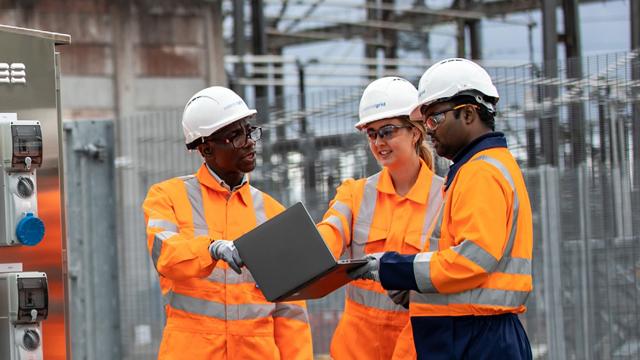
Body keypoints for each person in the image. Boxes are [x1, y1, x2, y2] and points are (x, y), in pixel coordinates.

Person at [352, 58, 534, 359]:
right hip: (475, 333)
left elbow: (472, 261)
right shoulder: (476, 169)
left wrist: (395, 268)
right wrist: (413, 288)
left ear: (468, 114)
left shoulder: (481, 173)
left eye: (434, 119)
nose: (428, 130)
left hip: (476, 338)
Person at [142, 86, 313, 360]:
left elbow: (290, 309)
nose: (248, 141)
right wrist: (211, 249)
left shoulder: (273, 212)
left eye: (249, 130)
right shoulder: (167, 197)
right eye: (235, 135)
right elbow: (167, 257)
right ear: (206, 148)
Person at [316, 77, 444, 360]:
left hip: (415, 348)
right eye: (371, 134)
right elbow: (330, 231)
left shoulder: (445, 198)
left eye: (387, 131)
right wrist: (309, 250)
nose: (378, 142)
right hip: (355, 352)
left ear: (415, 132)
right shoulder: (354, 194)